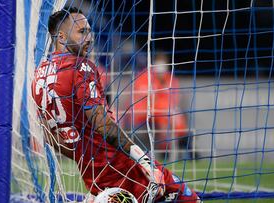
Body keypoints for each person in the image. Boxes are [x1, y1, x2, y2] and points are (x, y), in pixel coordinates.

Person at [31, 7, 199, 203]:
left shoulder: (40, 74)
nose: (90, 37)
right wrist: (144, 161)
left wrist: (83, 157)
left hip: (93, 173)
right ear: (60, 37)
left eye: (89, 31)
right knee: (187, 197)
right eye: (82, 32)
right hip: (121, 167)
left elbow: (48, 136)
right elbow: (103, 125)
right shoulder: (80, 67)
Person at [130, 52, 193, 159]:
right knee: (164, 124)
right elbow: (142, 103)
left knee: (177, 120)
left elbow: (174, 101)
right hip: (145, 116)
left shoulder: (171, 79)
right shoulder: (143, 78)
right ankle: (166, 151)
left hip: (164, 115)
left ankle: (188, 149)